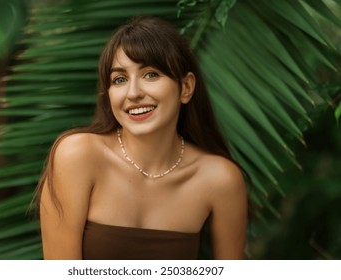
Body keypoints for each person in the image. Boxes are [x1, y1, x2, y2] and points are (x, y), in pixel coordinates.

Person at [36, 16, 247, 260]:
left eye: (151, 74)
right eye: (120, 79)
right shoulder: (78, 155)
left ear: (186, 87)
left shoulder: (220, 180)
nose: (133, 93)